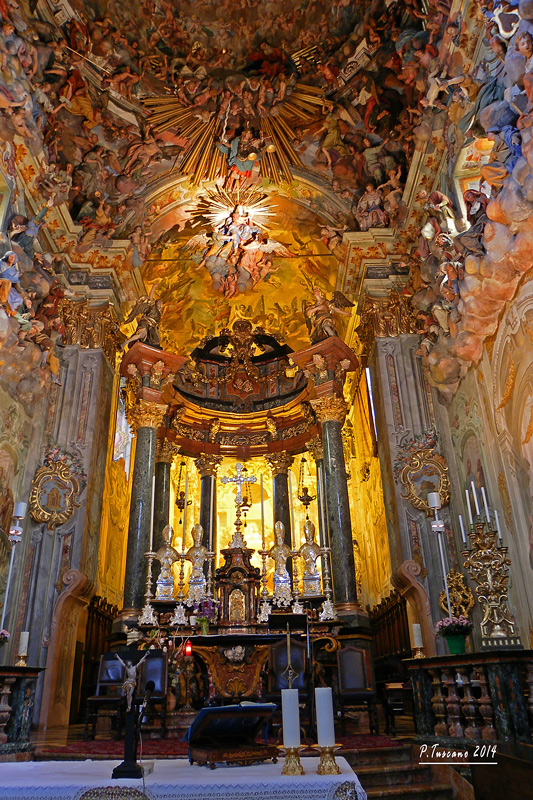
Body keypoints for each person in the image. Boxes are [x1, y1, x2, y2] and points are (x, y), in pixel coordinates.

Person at [269, 521, 292, 606]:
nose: (280, 541)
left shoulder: (287, 549)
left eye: (281, 539)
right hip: (278, 571)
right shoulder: (274, 549)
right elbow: (272, 554)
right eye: (278, 539)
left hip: (284, 571)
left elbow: (288, 554)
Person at [298, 519, 322, 596]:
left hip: (314, 570)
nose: (309, 538)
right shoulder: (303, 548)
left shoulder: (317, 547)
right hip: (307, 570)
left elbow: (319, 552)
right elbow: (300, 553)